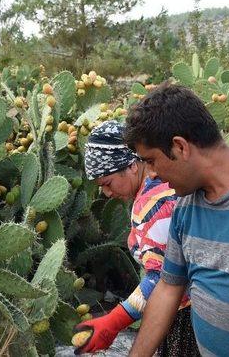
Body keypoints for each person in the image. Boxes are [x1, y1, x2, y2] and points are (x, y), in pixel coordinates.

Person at [125, 83, 229, 356]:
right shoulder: (184, 206)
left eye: (152, 161)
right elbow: (169, 288)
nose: (152, 174)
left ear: (180, 147)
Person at [74, 120, 199, 356]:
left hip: (184, 315)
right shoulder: (165, 184)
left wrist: (114, 320)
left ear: (132, 165)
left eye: (108, 183)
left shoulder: (150, 205)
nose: (107, 194)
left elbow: (164, 279)